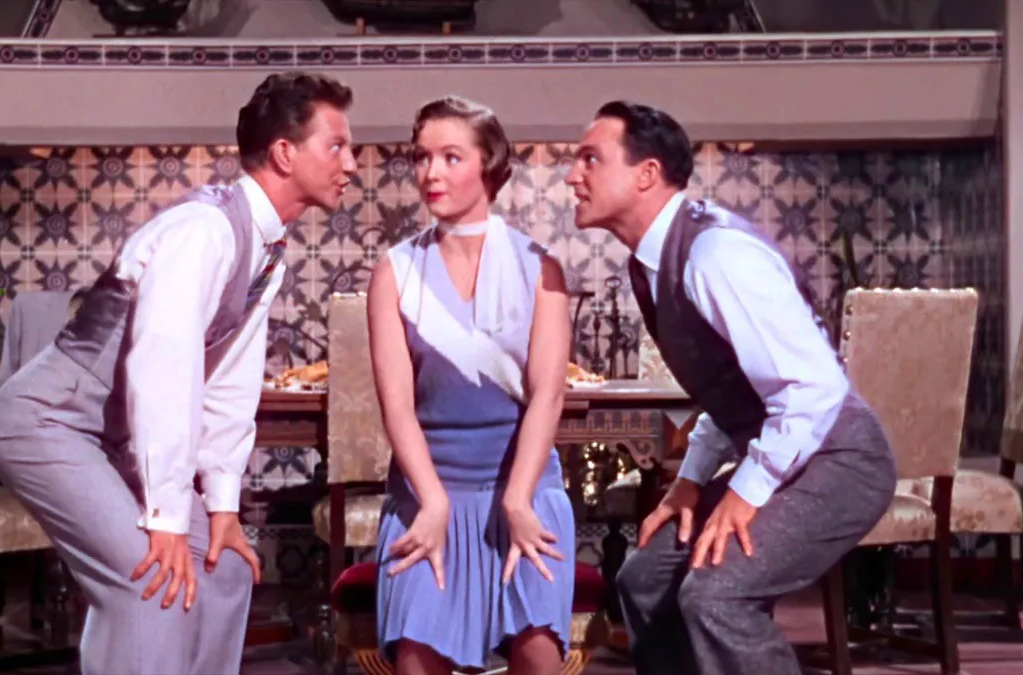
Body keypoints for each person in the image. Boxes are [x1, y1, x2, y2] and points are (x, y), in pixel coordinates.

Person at [0, 72, 357, 675]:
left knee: (224, 569)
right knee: (152, 580)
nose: (351, 164)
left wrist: (223, 508)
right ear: (286, 153)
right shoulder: (204, 231)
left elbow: (228, 382)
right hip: (48, 422)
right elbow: (165, 369)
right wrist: (165, 518)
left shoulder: (267, 252)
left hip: (112, 439)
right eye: (336, 146)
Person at [565, 101, 897, 674]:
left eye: (591, 159)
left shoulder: (717, 254)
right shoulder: (652, 264)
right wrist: (690, 483)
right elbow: (731, 391)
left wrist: (746, 491)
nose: (573, 175)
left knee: (716, 597)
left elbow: (812, 386)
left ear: (646, 174)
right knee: (644, 581)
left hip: (841, 461)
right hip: (789, 455)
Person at [367, 95, 574, 674]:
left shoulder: (539, 268)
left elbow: (548, 395)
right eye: (421, 157)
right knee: (417, 655)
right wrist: (432, 502)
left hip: (523, 491)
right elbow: (396, 406)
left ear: (490, 166)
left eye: (451, 157)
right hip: (428, 493)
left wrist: (518, 499)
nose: (430, 173)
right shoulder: (395, 272)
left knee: (538, 650)